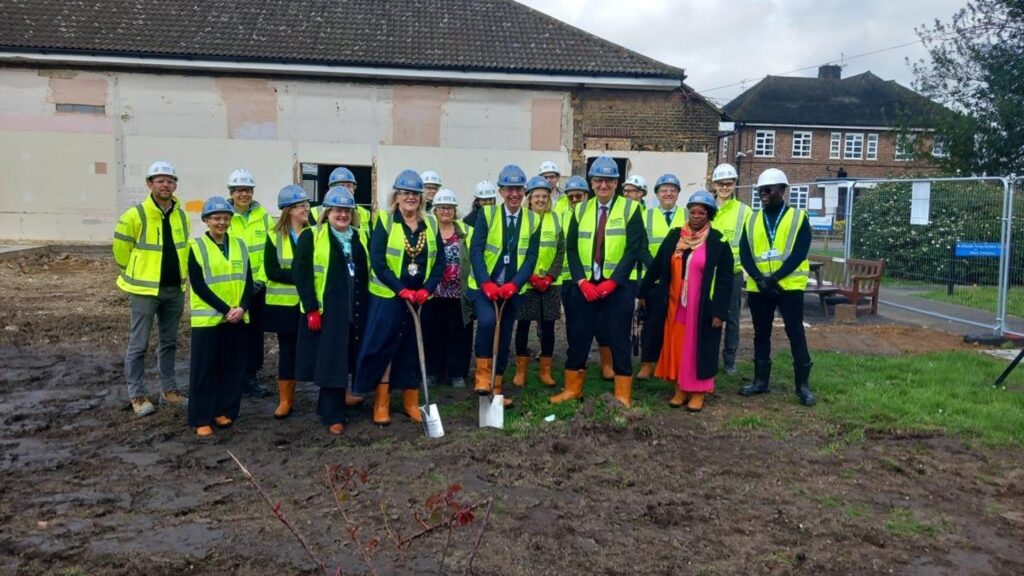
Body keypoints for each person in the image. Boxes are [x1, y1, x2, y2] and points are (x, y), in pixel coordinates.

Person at [550, 156, 645, 407]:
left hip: (619, 287)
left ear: (617, 182)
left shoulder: (632, 209)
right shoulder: (580, 209)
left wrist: (612, 282)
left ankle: (622, 394)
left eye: (609, 180)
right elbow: (570, 248)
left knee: (618, 339)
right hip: (585, 287)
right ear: (592, 182)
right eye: (599, 180)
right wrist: (582, 282)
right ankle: (573, 389)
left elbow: (634, 249)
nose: (603, 185)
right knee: (577, 337)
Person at [354, 170, 444, 425]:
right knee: (385, 346)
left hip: (420, 298)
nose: (410, 198)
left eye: (415, 193)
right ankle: (381, 404)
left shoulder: (431, 223)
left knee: (413, 348)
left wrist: (427, 289)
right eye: (405, 193)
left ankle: (411, 401)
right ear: (397, 196)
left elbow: (439, 262)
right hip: (388, 297)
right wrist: (400, 289)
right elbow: (378, 262)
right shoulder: (384, 221)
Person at [641, 191, 733, 412]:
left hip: (702, 307)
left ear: (709, 215)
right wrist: (642, 291)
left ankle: (698, 392)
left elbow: (724, 280)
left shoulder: (718, 242)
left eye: (702, 212)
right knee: (679, 345)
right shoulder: (675, 237)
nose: (696, 216)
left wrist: (720, 312)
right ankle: (680, 388)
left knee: (699, 347)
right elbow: (657, 266)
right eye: (693, 211)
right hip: (675, 304)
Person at [112, 160, 190, 417]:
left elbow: (182, 248)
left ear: (175, 185)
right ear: (150, 184)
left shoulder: (181, 215)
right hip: (144, 291)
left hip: (173, 290)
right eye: (160, 180)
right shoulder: (135, 215)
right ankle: (137, 395)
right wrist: (134, 273)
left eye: (170, 180)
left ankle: (169, 391)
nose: (165, 184)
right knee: (139, 345)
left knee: (169, 342)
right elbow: (120, 251)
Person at [294, 187, 370, 434]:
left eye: (347, 210)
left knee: (346, 357)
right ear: (327, 212)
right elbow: (301, 274)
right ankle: (333, 415)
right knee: (331, 361)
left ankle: (332, 404)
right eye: (337, 210)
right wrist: (311, 308)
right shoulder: (311, 236)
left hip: (354, 308)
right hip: (329, 310)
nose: (342, 214)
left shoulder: (360, 237)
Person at [739, 168, 816, 406]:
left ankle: (802, 386)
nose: (763, 193)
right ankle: (761, 381)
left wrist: (773, 279)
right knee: (761, 334)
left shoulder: (798, 217)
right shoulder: (751, 219)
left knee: (795, 333)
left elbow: (799, 253)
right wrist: (760, 280)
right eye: (761, 189)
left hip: (788, 286)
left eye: (768, 189)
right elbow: (745, 253)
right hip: (759, 288)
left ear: (782, 191)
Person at [468, 164, 540, 408]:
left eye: (519, 189)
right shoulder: (486, 215)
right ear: (500, 191)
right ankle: (482, 378)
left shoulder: (532, 219)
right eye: (509, 189)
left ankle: (496, 388)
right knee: (488, 322)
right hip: (483, 287)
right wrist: (485, 282)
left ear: (524, 191)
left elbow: (531, 257)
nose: (514, 194)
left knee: (505, 333)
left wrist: (515, 285)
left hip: (511, 289)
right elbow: (476, 250)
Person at [186, 196, 253, 437]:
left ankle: (223, 410)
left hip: (236, 318)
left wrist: (243, 307)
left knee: (231, 368)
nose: (221, 222)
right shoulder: (196, 247)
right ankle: (201, 417)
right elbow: (200, 286)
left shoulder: (240, 246)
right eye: (216, 218)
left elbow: (248, 280)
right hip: (209, 320)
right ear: (206, 220)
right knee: (205, 370)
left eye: (226, 218)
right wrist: (226, 310)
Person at [262, 185, 312, 419]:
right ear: (289, 210)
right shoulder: (274, 236)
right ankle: (285, 400)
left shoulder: (315, 233)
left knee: (314, 348)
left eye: (306, 205)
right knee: (287, 352)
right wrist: (301, 276)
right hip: (283, 307)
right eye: (301, 205)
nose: (306, 209)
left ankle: (331, 394)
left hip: (309, 304)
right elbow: (272, 271)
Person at [511, 176, 564, 389]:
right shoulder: (521, 219)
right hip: (526, 281)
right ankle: (520, 371)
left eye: (544, 196)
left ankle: (545, 371)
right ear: (529, 198)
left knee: (549, 326)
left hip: (551, 283)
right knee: (523, 325)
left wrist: (550, 276)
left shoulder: (556, 219)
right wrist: (529, 276)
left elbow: (561, 250)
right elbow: (515, 250)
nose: (541, 200)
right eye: (537, 196)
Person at [226, 168, 273, 398]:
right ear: (231, 193)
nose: (243, 194)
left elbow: (268, 249)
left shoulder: (262, 215)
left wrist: (262, 279)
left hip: (257, 285)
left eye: (247, 190)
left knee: (255, 333)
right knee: (233, 331)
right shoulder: (224, 216)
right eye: (239, 190)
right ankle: (233, 376)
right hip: (233, 286)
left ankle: (251, 376)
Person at [636, 173, 687, 380]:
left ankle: (675, 363)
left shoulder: (686, 215)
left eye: (672, 190)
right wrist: (656, 268)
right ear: (657, 194)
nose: (668, 193)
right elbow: (641, 246)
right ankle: (648, 363)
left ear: (678, 194)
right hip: (655, 279)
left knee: (678, 323)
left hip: (681, 280)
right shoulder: (646, 216)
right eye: (664, 190)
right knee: (652, 323)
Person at [423, 189, 474, 388]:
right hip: (433, 292)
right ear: (435, 210)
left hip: (459, 294)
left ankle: (457, 372)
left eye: (450, 208)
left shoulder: (465, 230)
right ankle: (434, 371)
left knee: (459, 333)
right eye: (442, 207)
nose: (446, 211)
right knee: (434, 333)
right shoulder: (428, 228)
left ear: (455, 210)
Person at [709, 163, 751, 375]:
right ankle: (708, 356)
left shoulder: (745, 212)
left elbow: (751, 243)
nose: (725, 187)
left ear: (735, 184)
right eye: (720, 183)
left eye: (729, 183)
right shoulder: (707, 208)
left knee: (732, 317)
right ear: (714, 184)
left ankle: (730, 360)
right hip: (708, 272)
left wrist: (745, 270)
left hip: (733, 272)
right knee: (708, 315)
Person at [557, 175, 590, 352]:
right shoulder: (561, 217)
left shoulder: (593, 215)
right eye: (571, 197)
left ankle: (585, 350)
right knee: (571, 317)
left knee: (587, 318)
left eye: (579, 196)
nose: (575, 200)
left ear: (586, 195)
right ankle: (573, 350)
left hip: (588, 276)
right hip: (567, 277)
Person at [314, 167, 373, 246]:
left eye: (349, 186)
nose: (345, 190)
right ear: (330, 189)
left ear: (354, 188)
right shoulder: (314, 213)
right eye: (341, 186)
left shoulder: (366, 213)